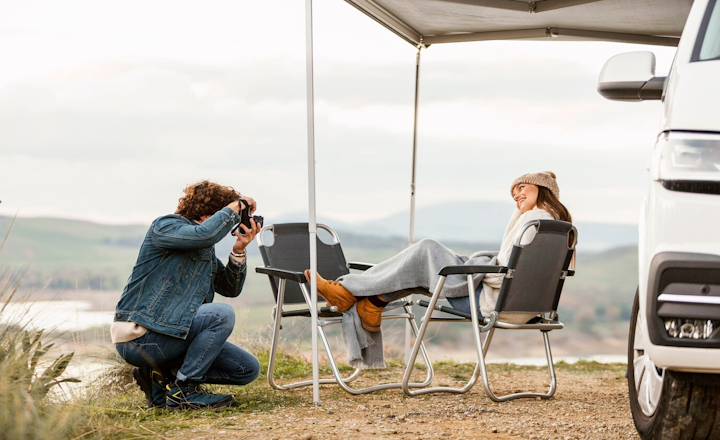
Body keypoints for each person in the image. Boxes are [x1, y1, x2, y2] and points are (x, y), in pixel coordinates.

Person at [306, 171, 572, 332]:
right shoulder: (561, 230)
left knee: (426, 248)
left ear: (542, 187)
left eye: (521, 188)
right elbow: (520, 271)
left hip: (490, 305)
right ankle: (372, 304)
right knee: (425, 270)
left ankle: (348, 292)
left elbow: (503, 275)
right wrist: (483, 264)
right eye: (513, 194)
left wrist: (479, 269)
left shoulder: (531, 222)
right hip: (525, 308)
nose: (516, 196)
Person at [111, 180, 262, 409]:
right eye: (226, 213)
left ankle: (158, 378)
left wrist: (238, 250)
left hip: (172, 335)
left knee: (246, 369)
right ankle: (184, 390)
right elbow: (204, 234)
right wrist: (236, 207)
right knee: (221, 314)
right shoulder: (165, 226)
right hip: (142, 337)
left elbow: (230, 288)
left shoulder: (204, 249)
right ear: (209, 213)